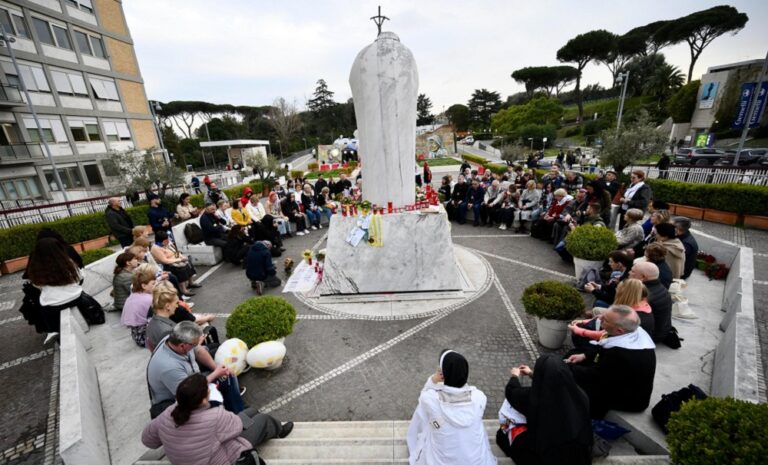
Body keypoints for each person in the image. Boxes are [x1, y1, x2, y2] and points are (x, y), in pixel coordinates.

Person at [142, 373, 292, 465]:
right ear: (202, 400)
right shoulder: (214, 415)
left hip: (190, 459)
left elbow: (148, 440)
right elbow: (237, 427)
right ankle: (278, 430)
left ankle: (267, 423)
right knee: (262, 419)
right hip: (224, 459)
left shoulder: (168, 413)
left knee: (250, 411)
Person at [496, 355, 592, 465]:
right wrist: (532, 374)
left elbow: (511, 391)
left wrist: (514, 376)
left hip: (547, 454)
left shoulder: (535, 398)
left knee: (503, 433)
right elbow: (552, 380)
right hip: (577, 451)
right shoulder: (580, 394)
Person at [406, 350, 496, 465]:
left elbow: (422, 398)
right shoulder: (479, 397)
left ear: (443, 374)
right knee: (438, 422)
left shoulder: (431, 398)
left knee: (434, 423)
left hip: (440, 458)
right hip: (476, 460)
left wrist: (432, 380)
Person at [567, 305, 656, 418]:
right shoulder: (633, 330)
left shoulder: (620, 354)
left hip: (630, 399)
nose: (600, 319)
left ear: (619, 330)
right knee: (575, 355)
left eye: (605, 319)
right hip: (622, 381)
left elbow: (594, 377)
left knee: (573, 382)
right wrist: (584, 356)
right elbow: (603, 350)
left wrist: (567, 367)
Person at [147, 321, 246, 416]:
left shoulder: (174, 339)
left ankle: (236, 408)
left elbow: (199, 351)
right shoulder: (169, 367)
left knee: (226, 375)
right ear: (182, 346)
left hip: (191, 381)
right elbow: (189, 391)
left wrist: (217, 368)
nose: (196, 345)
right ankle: (235, 418)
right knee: (216, 391)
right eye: (194, 344)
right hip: (179, 401)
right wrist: (216, 374)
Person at [25, 237, 83, 339]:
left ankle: (53, 330)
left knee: (43, 305)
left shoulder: (36, 267)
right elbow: (80, 277)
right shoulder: (68, 262)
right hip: (76, 298)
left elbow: (37, 285)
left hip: (53, 304)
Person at [629, 261, 673, 344]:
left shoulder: (643, 294)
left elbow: (625, 319)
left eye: (633, 271)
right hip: (662, 331)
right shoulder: (660, 287)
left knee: (599, 306)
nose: (629, 272)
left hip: (650, 337)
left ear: (642, 277)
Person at [151, 230, 198, 297]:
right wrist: (179, 260)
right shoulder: (156, 248)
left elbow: (176, 251)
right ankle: (183, 290)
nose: (168, 240)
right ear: (162, 240)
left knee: (188, 262)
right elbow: (164, 260)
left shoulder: (168, 243)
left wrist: (182, 258)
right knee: (180, 269)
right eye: (166, 240)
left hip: (176, 259)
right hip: (167, 264)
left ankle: (191, 282)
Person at [121, 265, 156, 347]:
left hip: (136, 335)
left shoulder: (134, 294)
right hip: (145, 338)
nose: (156, 285)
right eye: (153, 284)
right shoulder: (148, 299)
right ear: (144, 286)